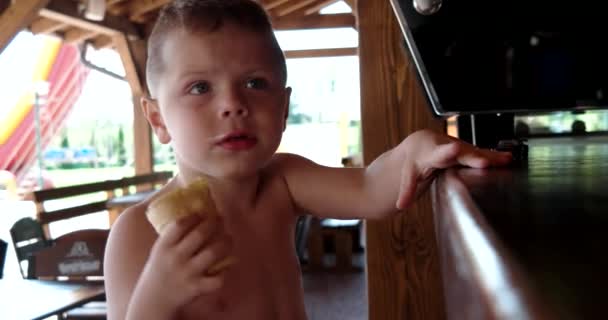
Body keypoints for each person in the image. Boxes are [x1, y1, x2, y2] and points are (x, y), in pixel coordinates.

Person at [104, 1, 512, 319]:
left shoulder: (283, 180)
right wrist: (157, 295)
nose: (232, 104)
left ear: (283, 109)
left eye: (254, 83)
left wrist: (417, 148)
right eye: (199, 88)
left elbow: (371, 189)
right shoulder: (137, 233)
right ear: (158, 119)